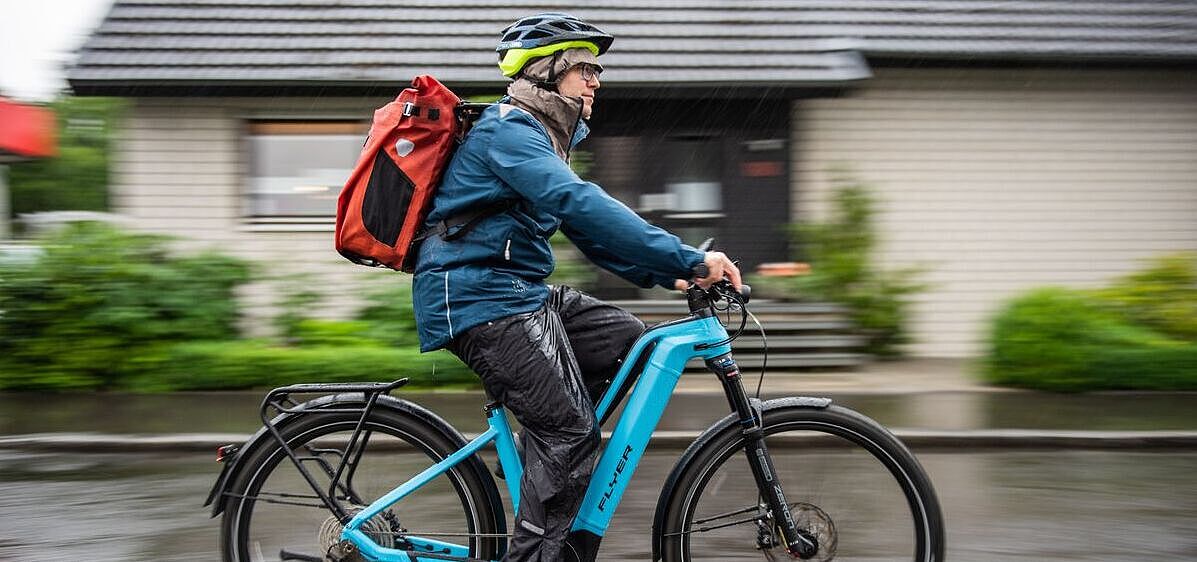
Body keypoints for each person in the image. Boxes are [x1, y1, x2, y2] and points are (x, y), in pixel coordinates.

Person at [411, 13, 741, 562]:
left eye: (596, 69)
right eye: (584, 69)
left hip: (513, 291)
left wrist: (671, 271)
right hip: (477, 296)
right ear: (545, 72)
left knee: (629, 341)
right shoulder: (507, 130)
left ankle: (543, 453)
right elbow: (579, 202)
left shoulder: (539, 138)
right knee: (570, 431)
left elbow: (585, 230)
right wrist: (686, 254)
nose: (596, 80)